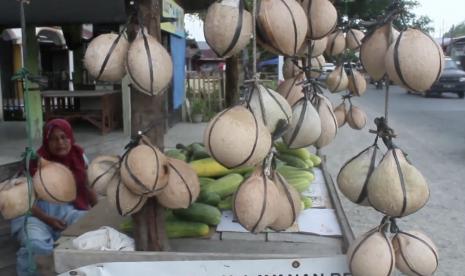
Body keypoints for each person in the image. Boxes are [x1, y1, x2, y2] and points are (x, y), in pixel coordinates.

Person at [10, 119, 97, 276]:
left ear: (71, 137)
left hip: (66, 210)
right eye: (53, 139)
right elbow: (23, 199)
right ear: (46, 141)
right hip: (33, 214)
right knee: (36, 246)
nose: (60, 142)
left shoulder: (78, 156)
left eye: (64, 137)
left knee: (92, 231)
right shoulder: (35, 162)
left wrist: (98, 213)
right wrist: (47, 219)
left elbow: (87, 186)